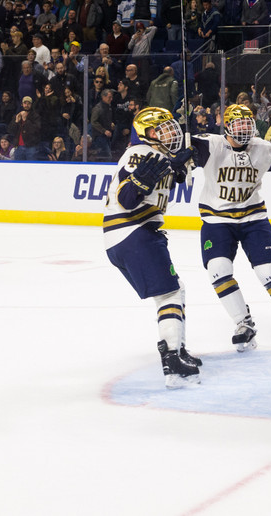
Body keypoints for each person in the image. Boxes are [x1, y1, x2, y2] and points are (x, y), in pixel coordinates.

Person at [190, 104, 271, 352]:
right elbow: (184, 145)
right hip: (217, 220)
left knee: (269, 270)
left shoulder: (264, 149)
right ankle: (243, 323)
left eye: (248, 123)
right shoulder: (210, 144)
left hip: (253, 218)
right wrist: (186, 141)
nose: (244, 128)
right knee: (218, 269)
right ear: (228, 127)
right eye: (239, 123)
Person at [103, 107, 201, 388]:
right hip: (134, 231)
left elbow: (165, 176)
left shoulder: (157, 155)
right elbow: (126, 197)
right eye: (161, 129)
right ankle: (172, 361)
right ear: (146, 133)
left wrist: (177, 169)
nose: (169, 133)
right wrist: (139, 182)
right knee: (169, 293)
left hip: (131, 234)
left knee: (176, 289)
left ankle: (178, 348)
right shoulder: (141, 153)